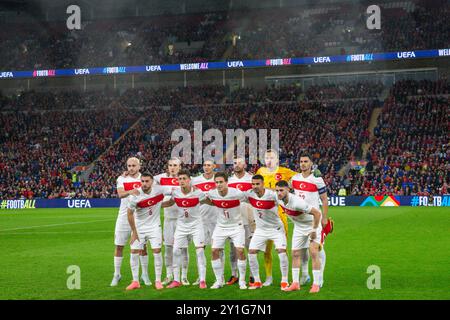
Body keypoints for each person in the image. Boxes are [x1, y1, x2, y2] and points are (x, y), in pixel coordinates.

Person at [275, 180, 323, 293]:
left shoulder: (297, 202)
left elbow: (317, 213)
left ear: (288, 189)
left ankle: (316, 284)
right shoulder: (278, 198)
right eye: (277, 190)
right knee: (295, 254)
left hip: (312, 225)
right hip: (299, 227)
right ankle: (295, 283)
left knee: (313, 252)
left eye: (281, 190)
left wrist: (314, 229)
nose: (279, 193)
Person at [246, 175, 289, 290]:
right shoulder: (249, 194)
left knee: (281, 252)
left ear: (263, 184)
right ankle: (257, 281)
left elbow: (286, 199)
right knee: (251, 253)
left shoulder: (272, 195)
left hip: (276, 229)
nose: (255, 186)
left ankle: (284, 281)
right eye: (253, 184)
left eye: (258, 184)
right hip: (260, 230)